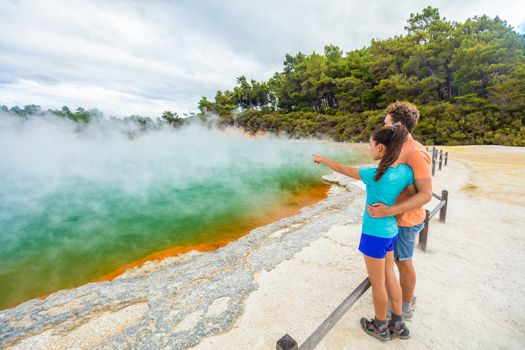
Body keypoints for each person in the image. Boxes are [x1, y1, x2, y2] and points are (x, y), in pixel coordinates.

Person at [312, 125, 414, 341]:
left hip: (374, 234)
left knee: (377, 283)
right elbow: (412, 194)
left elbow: (342, 169)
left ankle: (379, 326)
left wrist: (323, 159)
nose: (369, 148)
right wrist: (393, 209)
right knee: (390, 277)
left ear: (380, 147)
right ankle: (397, 323)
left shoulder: (375, 175)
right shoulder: (405, 172)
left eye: (370, 144)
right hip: (390, 231)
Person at [367, 101, 432, 320]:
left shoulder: (415, 152)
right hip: (394, 219)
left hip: (406, 219)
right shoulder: (398, 147)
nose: (384, 125)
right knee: (395, 262)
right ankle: (401, 299)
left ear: (400, 125)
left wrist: (391, 210)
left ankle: (405, 306)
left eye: (387, 123)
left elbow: (426, 194)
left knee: (403, 262)